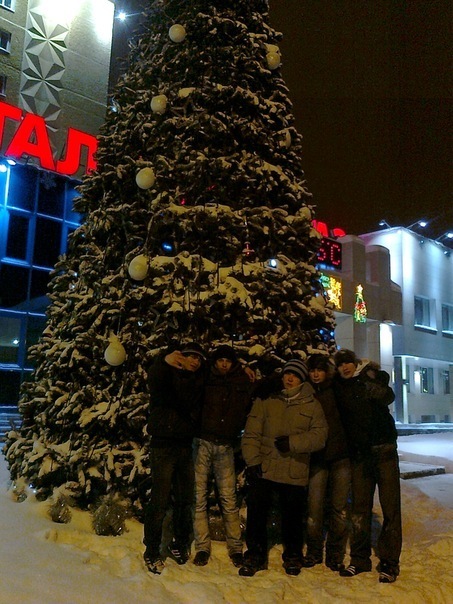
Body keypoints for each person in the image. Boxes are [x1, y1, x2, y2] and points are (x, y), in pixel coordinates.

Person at [239, 359, 328, 577]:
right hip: (265, 467)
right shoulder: (268, 399)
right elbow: (251, 433)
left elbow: (320, 436)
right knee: (256, 512)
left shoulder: (312, 404)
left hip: (293, 469)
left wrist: (294, 443)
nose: (290, 379)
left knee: (293, 516)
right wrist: (253, 461)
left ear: (302, 380)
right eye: (288, 374)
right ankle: (255, 555)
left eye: (295, 376)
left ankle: (293, 556)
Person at [333, 349, 402, 584]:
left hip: (384, 451)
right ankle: (360, 559)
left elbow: (387, 396)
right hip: (361, 456)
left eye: (348, 363)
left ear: (355, 364)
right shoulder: (339, 387)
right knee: (360, 509)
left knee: (390, 509)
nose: (344, 367)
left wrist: (369, 381)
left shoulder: (371, 377)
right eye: (340, 364)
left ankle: (390, 563)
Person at [143, 342, 207, 574]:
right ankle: (151, 551)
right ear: (181, 357)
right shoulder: (166, 374)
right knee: (159, 500)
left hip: (184, 445)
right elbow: (154, 377)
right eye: (191, 356)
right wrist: (163, 360)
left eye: (199, 359)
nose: (195, 361)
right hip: (163, 445)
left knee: (183, 498)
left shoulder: (198, 381)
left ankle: (179, 543)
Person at [193, 344, 255, 568]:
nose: (224, 364)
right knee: (199, 497)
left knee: (229, 499)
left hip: (226, 445)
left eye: (228, 361)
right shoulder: (205, 377)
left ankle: (235, 548)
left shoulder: (241, 380)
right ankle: (202, 547)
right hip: (203, 441)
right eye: (221, 360)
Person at [304, 354, 351, 571]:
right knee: (314, 508)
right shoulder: (307, 392)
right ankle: (314, 551)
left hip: (340, 454)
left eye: (320, 370)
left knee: (338, 508)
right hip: (317, 457)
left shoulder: (337, 389)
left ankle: (335, 554)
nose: (316, 374)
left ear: (327, 372)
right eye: (312, 370)